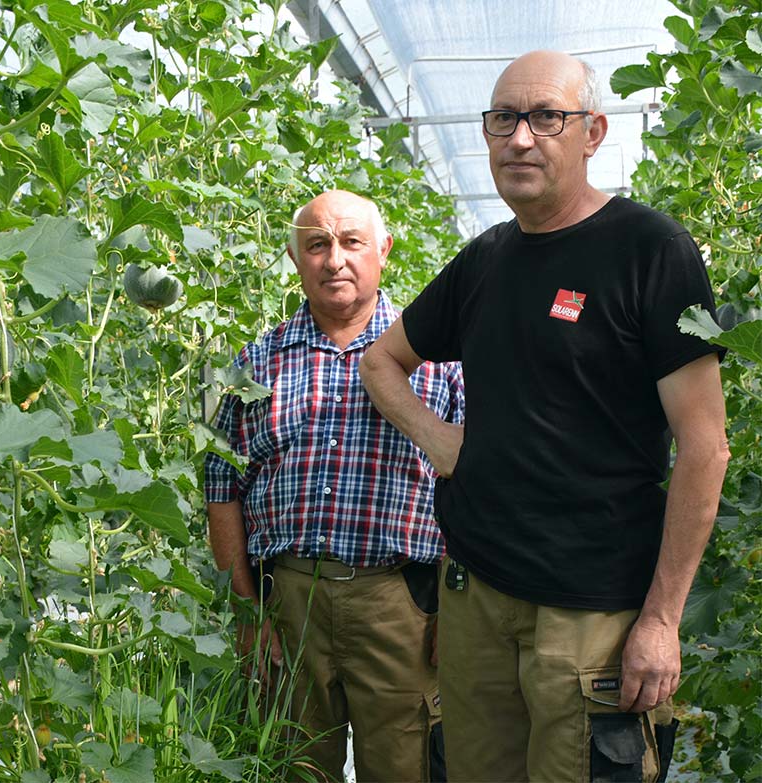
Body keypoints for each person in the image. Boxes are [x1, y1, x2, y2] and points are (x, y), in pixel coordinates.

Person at [359, 50, 730, 782]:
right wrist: (442, 442)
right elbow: (381, 362)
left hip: (590, 612)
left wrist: (659, 619)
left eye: (545, 117)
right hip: (478, 597)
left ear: (591, 133)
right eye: (504, 119)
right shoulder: (485, 261)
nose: (520, 138)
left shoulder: (650, 251)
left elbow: (705, 448)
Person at [204, 189, 464, 782]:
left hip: (402, 604)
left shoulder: (441, 361)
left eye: (351, 242)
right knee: (294, 765)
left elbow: (475, 482)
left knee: (406, 766)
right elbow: (221, 487)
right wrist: (248, 611)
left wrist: (457, 606)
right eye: (317, 244)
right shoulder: (247, 366)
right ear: (296, 257)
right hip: (290, 599)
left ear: (383, 251)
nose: (335, 259)